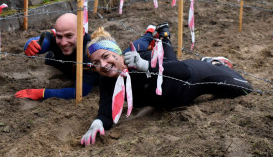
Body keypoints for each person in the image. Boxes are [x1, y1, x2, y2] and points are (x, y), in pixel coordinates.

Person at [80, 23, 253, 146]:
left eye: (105, 56)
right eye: (95, 63)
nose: (102, 65)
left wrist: (146, 66)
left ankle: (214, 63)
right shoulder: (107, 80)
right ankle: (164, 37)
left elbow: (182, 71)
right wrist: (98, 124)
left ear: (117, 53)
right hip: (171, 103)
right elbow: (106, 111)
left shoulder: (140, 58)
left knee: (244, 89)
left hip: (196, 80)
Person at [14, 13, 99, 100]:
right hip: (56, 65)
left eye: (69, 36)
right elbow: (44, 40)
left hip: (82, 77)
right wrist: (30, 44)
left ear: (82, 32)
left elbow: (80, 92)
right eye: (59, 36)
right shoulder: (55, 35)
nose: (63, 43)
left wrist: (42, 93)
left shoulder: (92, 54)